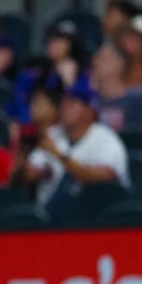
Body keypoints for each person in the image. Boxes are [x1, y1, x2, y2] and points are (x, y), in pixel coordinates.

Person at [25, 81, 127, 223]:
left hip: (96, 222)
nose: (65, 108)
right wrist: (36, 172)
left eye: (72, 103)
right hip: (50, 221)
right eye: (64, 103)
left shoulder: (106, 139)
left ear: (89, 110)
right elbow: (28, 173)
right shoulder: (54, 134)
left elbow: (105, 178)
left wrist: (60, 157)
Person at [93, 43, 142, 138]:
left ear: (120, 65)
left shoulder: (138, 98)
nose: (96, 62)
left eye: (104, 59)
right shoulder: (91, 102)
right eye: (95, 58)